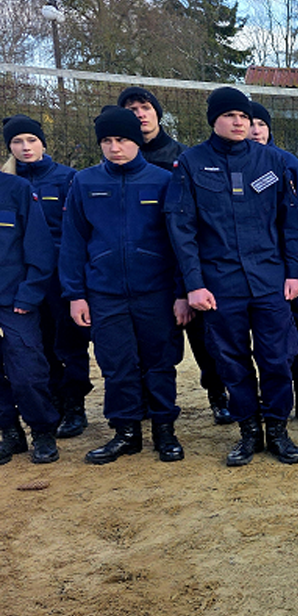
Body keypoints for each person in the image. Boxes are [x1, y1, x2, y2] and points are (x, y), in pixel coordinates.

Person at [167, 86, 298, 467]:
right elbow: (182, 229)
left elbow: (292, 223)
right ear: (214, 119)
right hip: (220, 284)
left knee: (277, 358)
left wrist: (294, 274)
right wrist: (193, 284)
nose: (239, 122)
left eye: (244, 116)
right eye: (230, 115)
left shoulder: (273, 161)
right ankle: (249, 432)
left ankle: (277, 430)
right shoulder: (191, 163)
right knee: (231, 361)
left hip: (269, 281)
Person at [60, 106, 190, 464]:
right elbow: (73, 243)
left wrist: (181, 292)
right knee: (116, 364)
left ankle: (164, 430)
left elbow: (180, 243)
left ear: (136, 140)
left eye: (122, 140)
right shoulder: (84, 183)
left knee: (160, 363)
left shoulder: (163, 180)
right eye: (107, 141)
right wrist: (75, 294)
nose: (115, 148)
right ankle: (126, 433)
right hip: (105, 293)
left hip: (156, 292)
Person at [119, 86, 231, 425]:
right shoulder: (117, 159)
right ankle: (148, 402)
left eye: (144, 107)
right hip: (144, 267)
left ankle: (218, 395)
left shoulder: (184, 157)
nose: (139, 114)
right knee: (148, 343)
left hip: (186, 260)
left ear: (157, 112)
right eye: (131, 109)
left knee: (205, 338)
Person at [4, 114, 93, 439]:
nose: (25, 147)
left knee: (69, 342)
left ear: (43, 142)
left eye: (31, 140)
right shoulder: (8, 184)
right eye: (17, 142)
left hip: (61, 277)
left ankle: (74, 405)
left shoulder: (68, 178)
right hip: (24, 281)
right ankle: (51, 402)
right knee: (36, 344)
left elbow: (79, 231)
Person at [249, 101, 298, 428]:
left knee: (296, 340)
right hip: (247, 275)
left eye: (260, 124)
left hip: (288, 274)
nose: (255, 130)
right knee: (250, 344)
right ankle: (259, 404)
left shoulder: (287, 163)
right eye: (249, 123)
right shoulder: (224, 166)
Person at [0, 156, 60, 465]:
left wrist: (28, 296)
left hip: (14, 302)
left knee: (27, 372)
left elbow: (40, 248)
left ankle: (42, 431)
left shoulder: (17, 190)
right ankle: (10, 432)